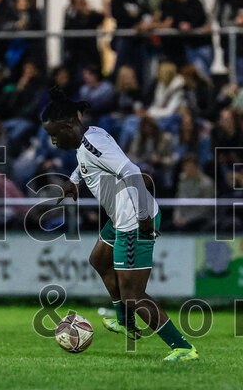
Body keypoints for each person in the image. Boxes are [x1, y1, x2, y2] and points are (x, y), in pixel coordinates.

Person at [41, 89, 198, 361]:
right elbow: (88, 162)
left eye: (54, 134)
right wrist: (74, 180)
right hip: (121, 218)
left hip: (134, 221)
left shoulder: (92, 144)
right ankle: (125, 322)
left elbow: (132, 172)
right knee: (99, 260)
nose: (53, 141)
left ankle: (183, 348)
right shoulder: (91, 137)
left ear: (67, 126)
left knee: (133, 295)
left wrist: (144, 219)